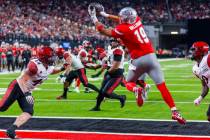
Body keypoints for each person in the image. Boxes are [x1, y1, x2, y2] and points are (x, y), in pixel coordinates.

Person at [88, 5, 186, 124]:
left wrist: (94, 17)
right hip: (152, 57)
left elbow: (103, 30)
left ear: (124, 18)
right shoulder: (137, 21)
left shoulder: (123, 28)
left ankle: (136, 90)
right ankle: (174, 111)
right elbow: (120, 19)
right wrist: (105, 15)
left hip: (138, 59)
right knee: (162, 86)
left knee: (127, 82)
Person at [0, 46, 68, 139]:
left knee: (28, 111)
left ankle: (11, 130)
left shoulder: (48, 65)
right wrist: (27, 94)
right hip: (17, 87)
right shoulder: (34, 66)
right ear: (44, 58)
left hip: (27, 90)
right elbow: (23, 79)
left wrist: (61, 69)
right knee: (2, 107)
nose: (53, 58)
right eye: (50, 57)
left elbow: (50, 71)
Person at [90, 39, 126, 111]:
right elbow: (107, 58)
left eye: (115, 41)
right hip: (110, 71)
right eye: (112, 40)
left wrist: (108, 72)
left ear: (119, 43)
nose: (113, 42)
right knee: (101, 91)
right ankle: (97, 107)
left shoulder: (118, 50)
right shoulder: (110, 48)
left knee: (106, 93)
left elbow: (116, 66)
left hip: (116, 73)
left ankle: (121, 97)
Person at [189, 41, 210, 121]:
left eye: (194, 50)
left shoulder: (208, 59)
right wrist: (200, 98)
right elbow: (205, 85)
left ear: (200, 51)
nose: (192, 52)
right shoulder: (195, 69)